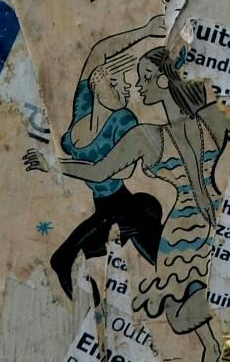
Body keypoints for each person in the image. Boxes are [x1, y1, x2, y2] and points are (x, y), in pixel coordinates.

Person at [28, 47, 230, 362]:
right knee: (197, 316)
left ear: (164, 82)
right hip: (211, 223)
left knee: (196, 316)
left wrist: (53, 164)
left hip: (184, 231)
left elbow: (98, 171)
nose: (138, 86)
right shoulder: (207, 118)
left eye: (145, 78)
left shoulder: (151, 135)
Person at [37, 15, 168, 301]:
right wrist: (144, 31)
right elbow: (99, 52)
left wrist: (58, 165)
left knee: (155, 251)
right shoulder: (82, 107)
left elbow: (120, 172)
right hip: (105, 203)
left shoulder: (125, 120)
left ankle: (66, 257)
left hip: (120, 200)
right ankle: (95, 304)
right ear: (98, 85)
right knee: (99, 254)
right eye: (117, 82)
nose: (126, 89)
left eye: (126, 85)